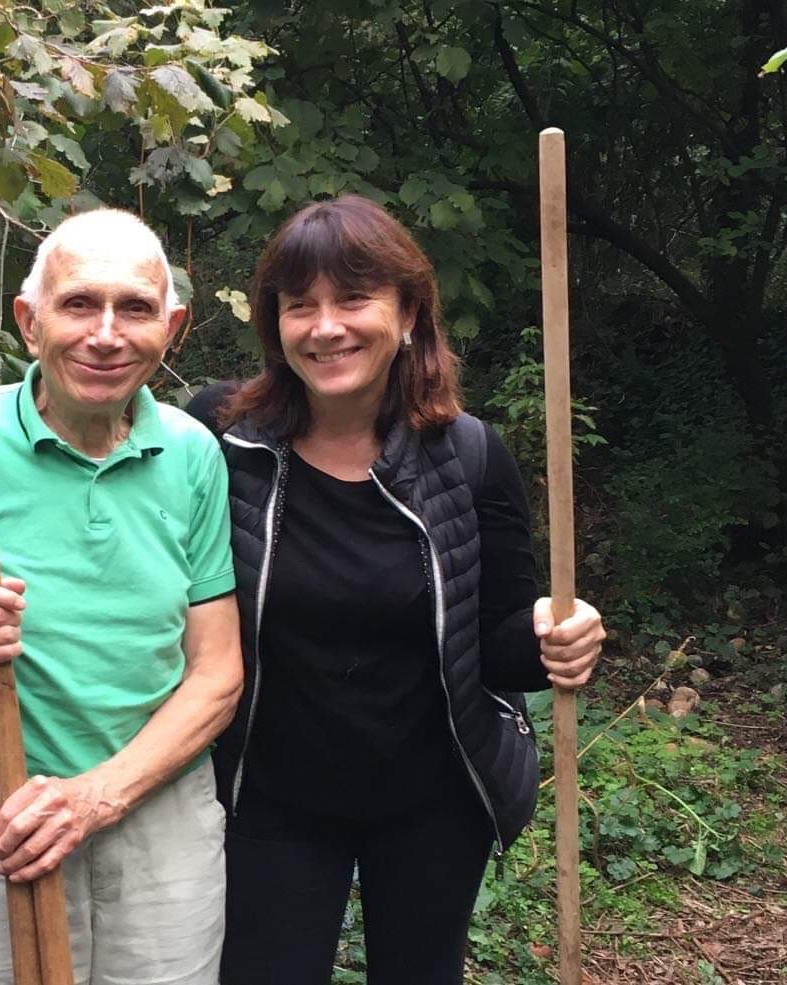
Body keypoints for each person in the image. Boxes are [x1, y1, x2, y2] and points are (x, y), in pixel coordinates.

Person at [187, 195, 605, 985]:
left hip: (432, 801)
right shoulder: (221, 437)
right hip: (270, 798)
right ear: (274, 324)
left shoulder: (468, 455)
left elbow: (502, 644)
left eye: (353, 298)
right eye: (299, 305)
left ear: (407, 312)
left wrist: (561, 631)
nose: (326, 326)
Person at [0, 209, 242, 985]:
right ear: (30, 321)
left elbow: (217, 672)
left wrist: (96, 797)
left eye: (134, 308)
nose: (106, 334)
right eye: (79, 304)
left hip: (158, 807)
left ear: (173, 326)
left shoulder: (195, 453)